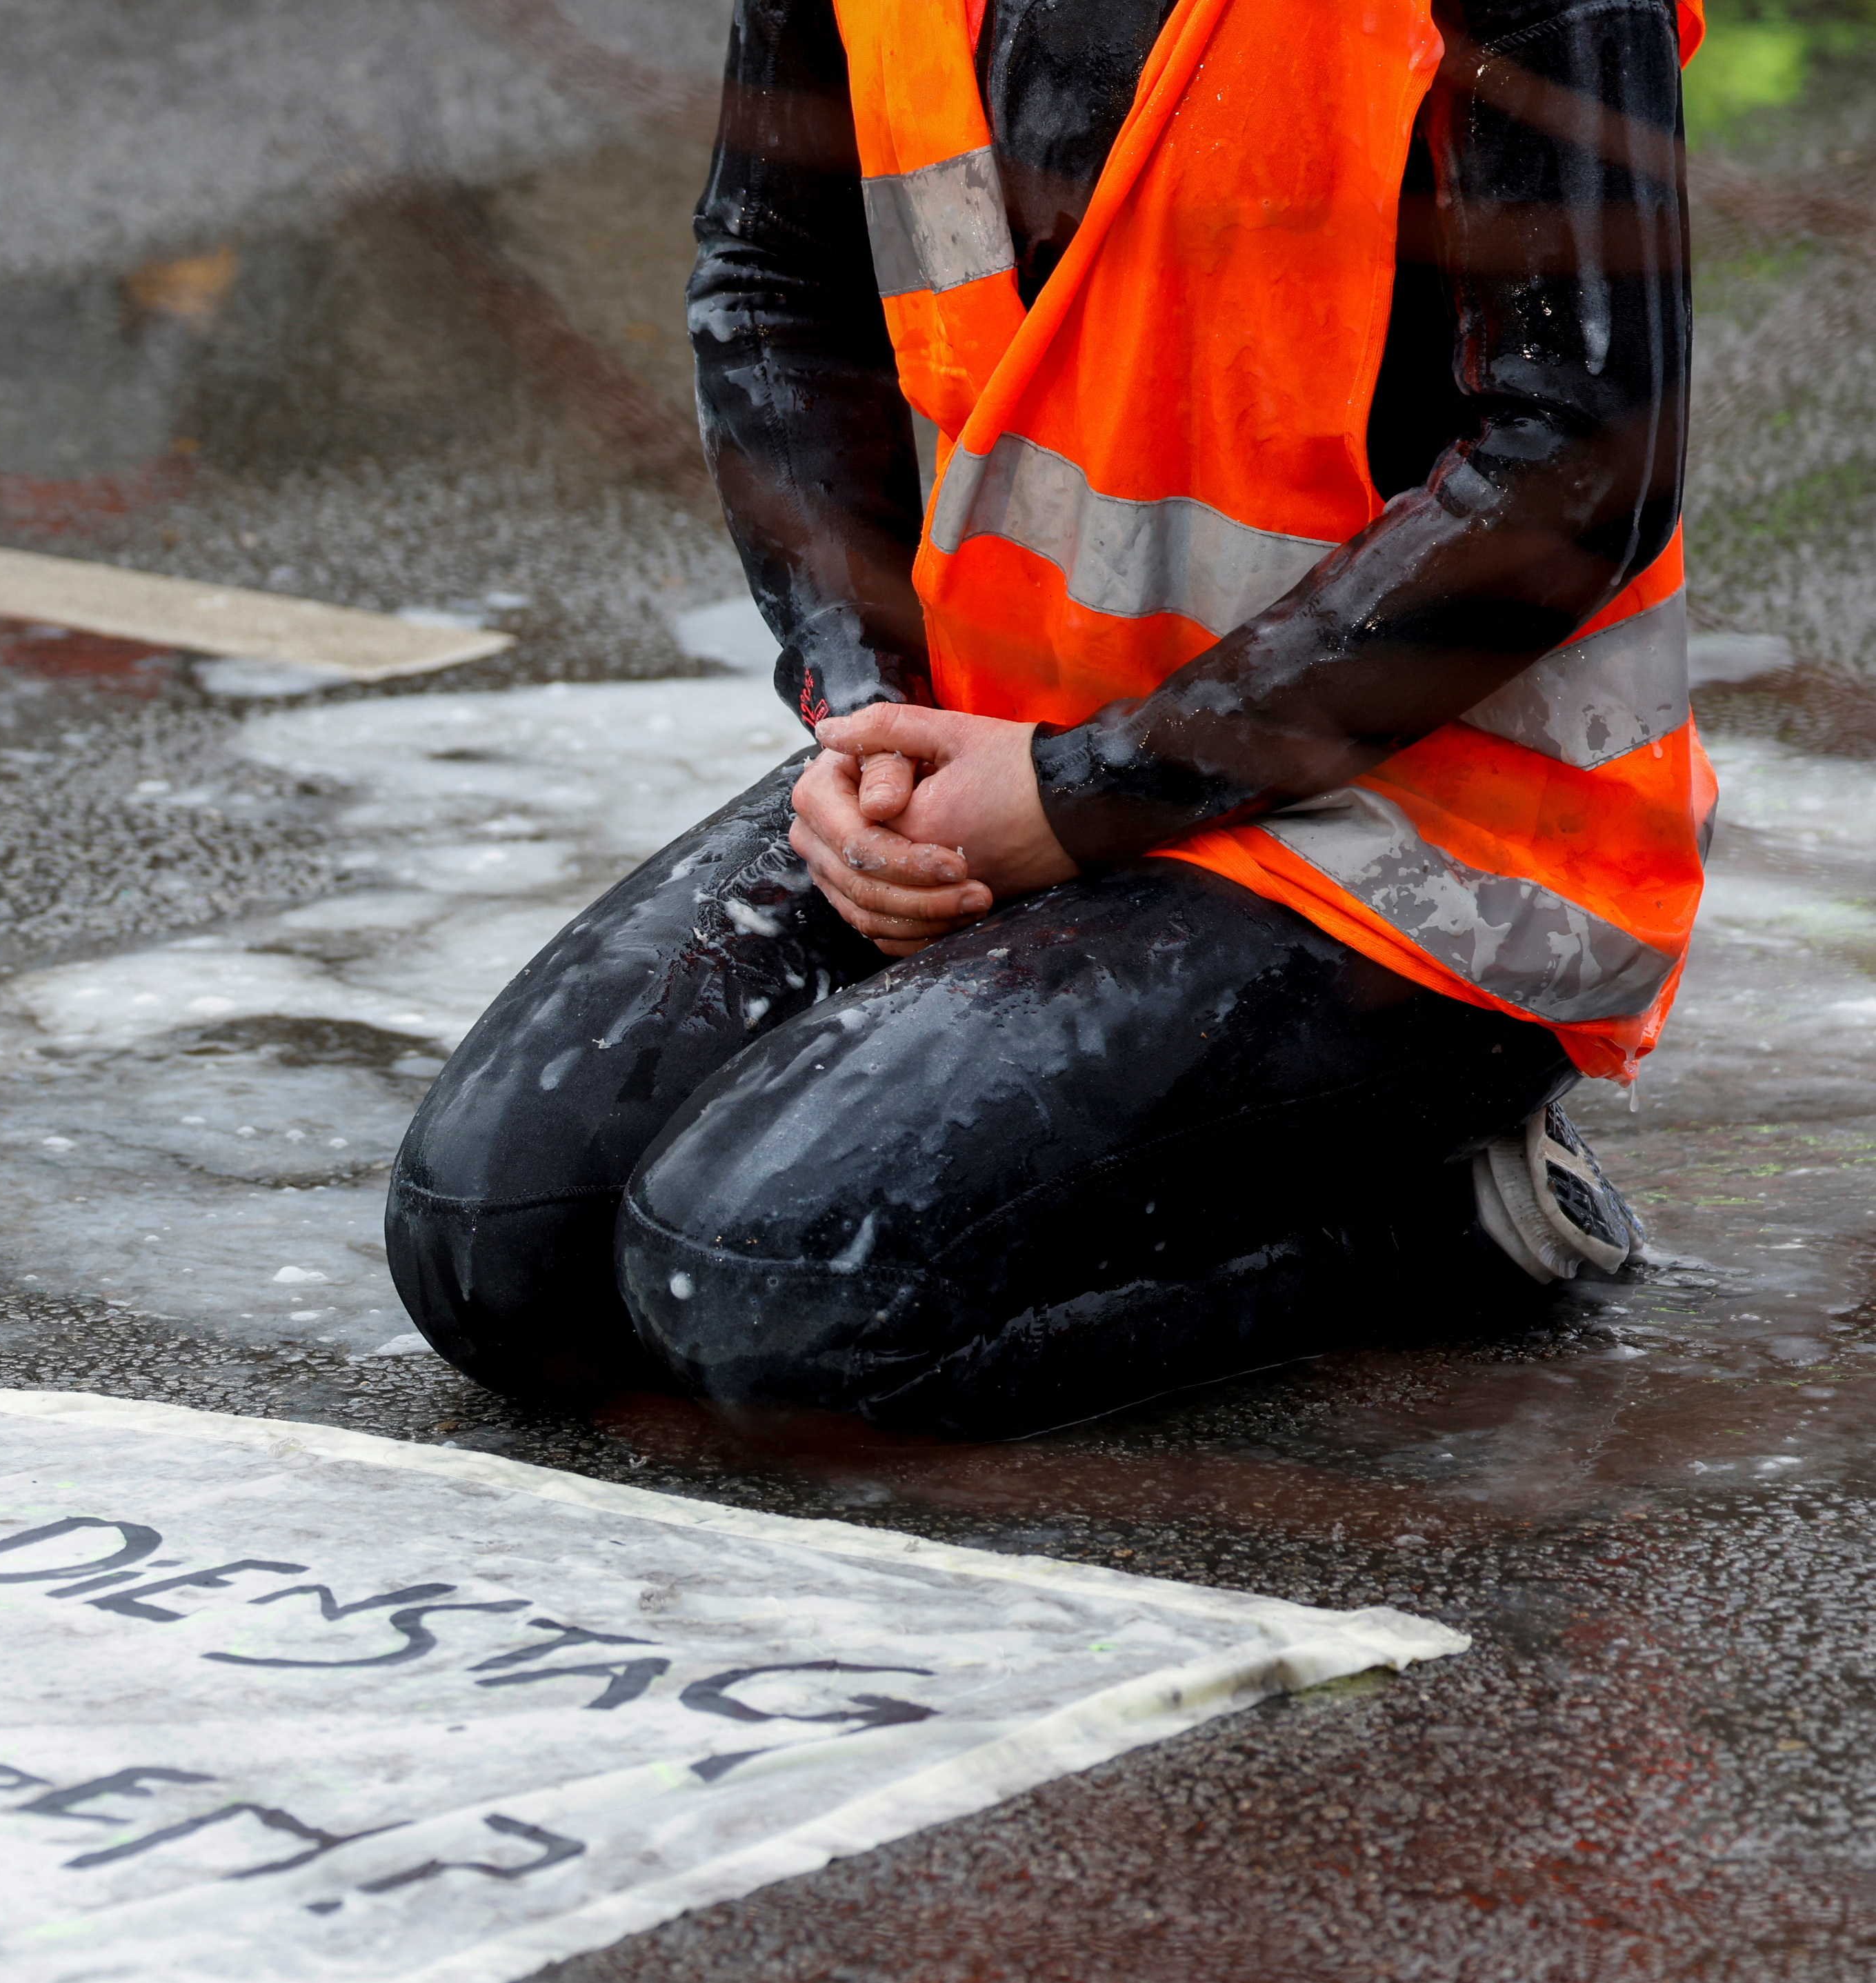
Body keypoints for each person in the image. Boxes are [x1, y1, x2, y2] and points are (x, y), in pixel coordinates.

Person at [386, 0, 1706, 1439]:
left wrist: (1080, 795)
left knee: (763, 1293)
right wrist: (864, 707)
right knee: (489, 1253)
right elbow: (771, 278)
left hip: (1428, 849)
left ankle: (1447, 1216)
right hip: (996, 753)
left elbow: (1579, 460)